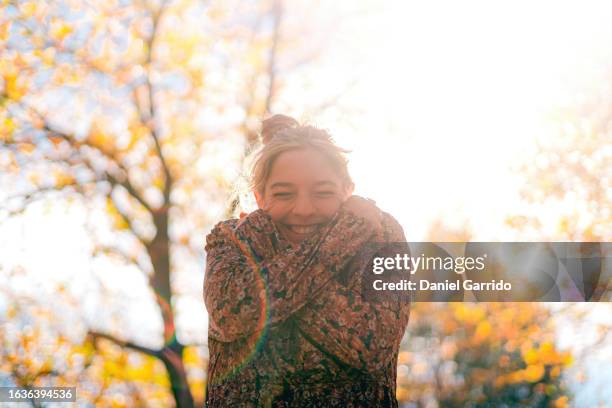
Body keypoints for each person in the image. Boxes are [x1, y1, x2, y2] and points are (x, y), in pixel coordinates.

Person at [203, 114, 411, 407]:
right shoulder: (230, 239)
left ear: (347, 191)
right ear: (259, 197)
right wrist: (343, 237)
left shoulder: (381, 236)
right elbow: (230, 313)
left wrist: (268, 254)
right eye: (284, 193)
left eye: (323, 192)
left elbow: (372, 344)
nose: (303, 209)